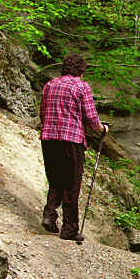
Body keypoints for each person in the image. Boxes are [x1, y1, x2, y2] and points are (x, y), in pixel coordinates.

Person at [39, 53, 108, 242]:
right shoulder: (81, 86)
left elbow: (43, 112)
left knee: (55, 178)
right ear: (80, 71)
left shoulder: (50, 85)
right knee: (71, 184)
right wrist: (103, 128)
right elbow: (91, 118)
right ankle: (69, 229)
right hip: (71, 140)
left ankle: (49, 215)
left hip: (48, 138)